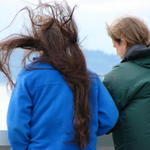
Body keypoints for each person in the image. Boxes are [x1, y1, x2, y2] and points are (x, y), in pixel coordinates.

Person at [0, 2, 118, 150]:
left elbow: (17, 127)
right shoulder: (89, 78)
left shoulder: (28, 77)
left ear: (39, 46)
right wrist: (87, 133)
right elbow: (109, 118)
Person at [104, 16, 150, 150]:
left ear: (123, 42)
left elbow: (103, 119)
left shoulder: (118, 77)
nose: (117, 53)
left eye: (115, 46)